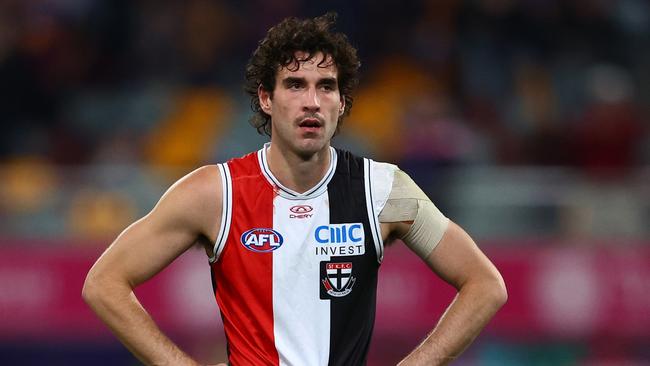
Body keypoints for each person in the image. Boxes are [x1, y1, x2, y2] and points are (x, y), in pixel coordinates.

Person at [83, 13, 507, 366]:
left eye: (327, 87)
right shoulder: (215, 193)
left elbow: (486, 285)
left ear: (342, 102)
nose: (312, 101)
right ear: (266, 98)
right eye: (295, 85)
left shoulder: (384, 189)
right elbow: (104, 283)